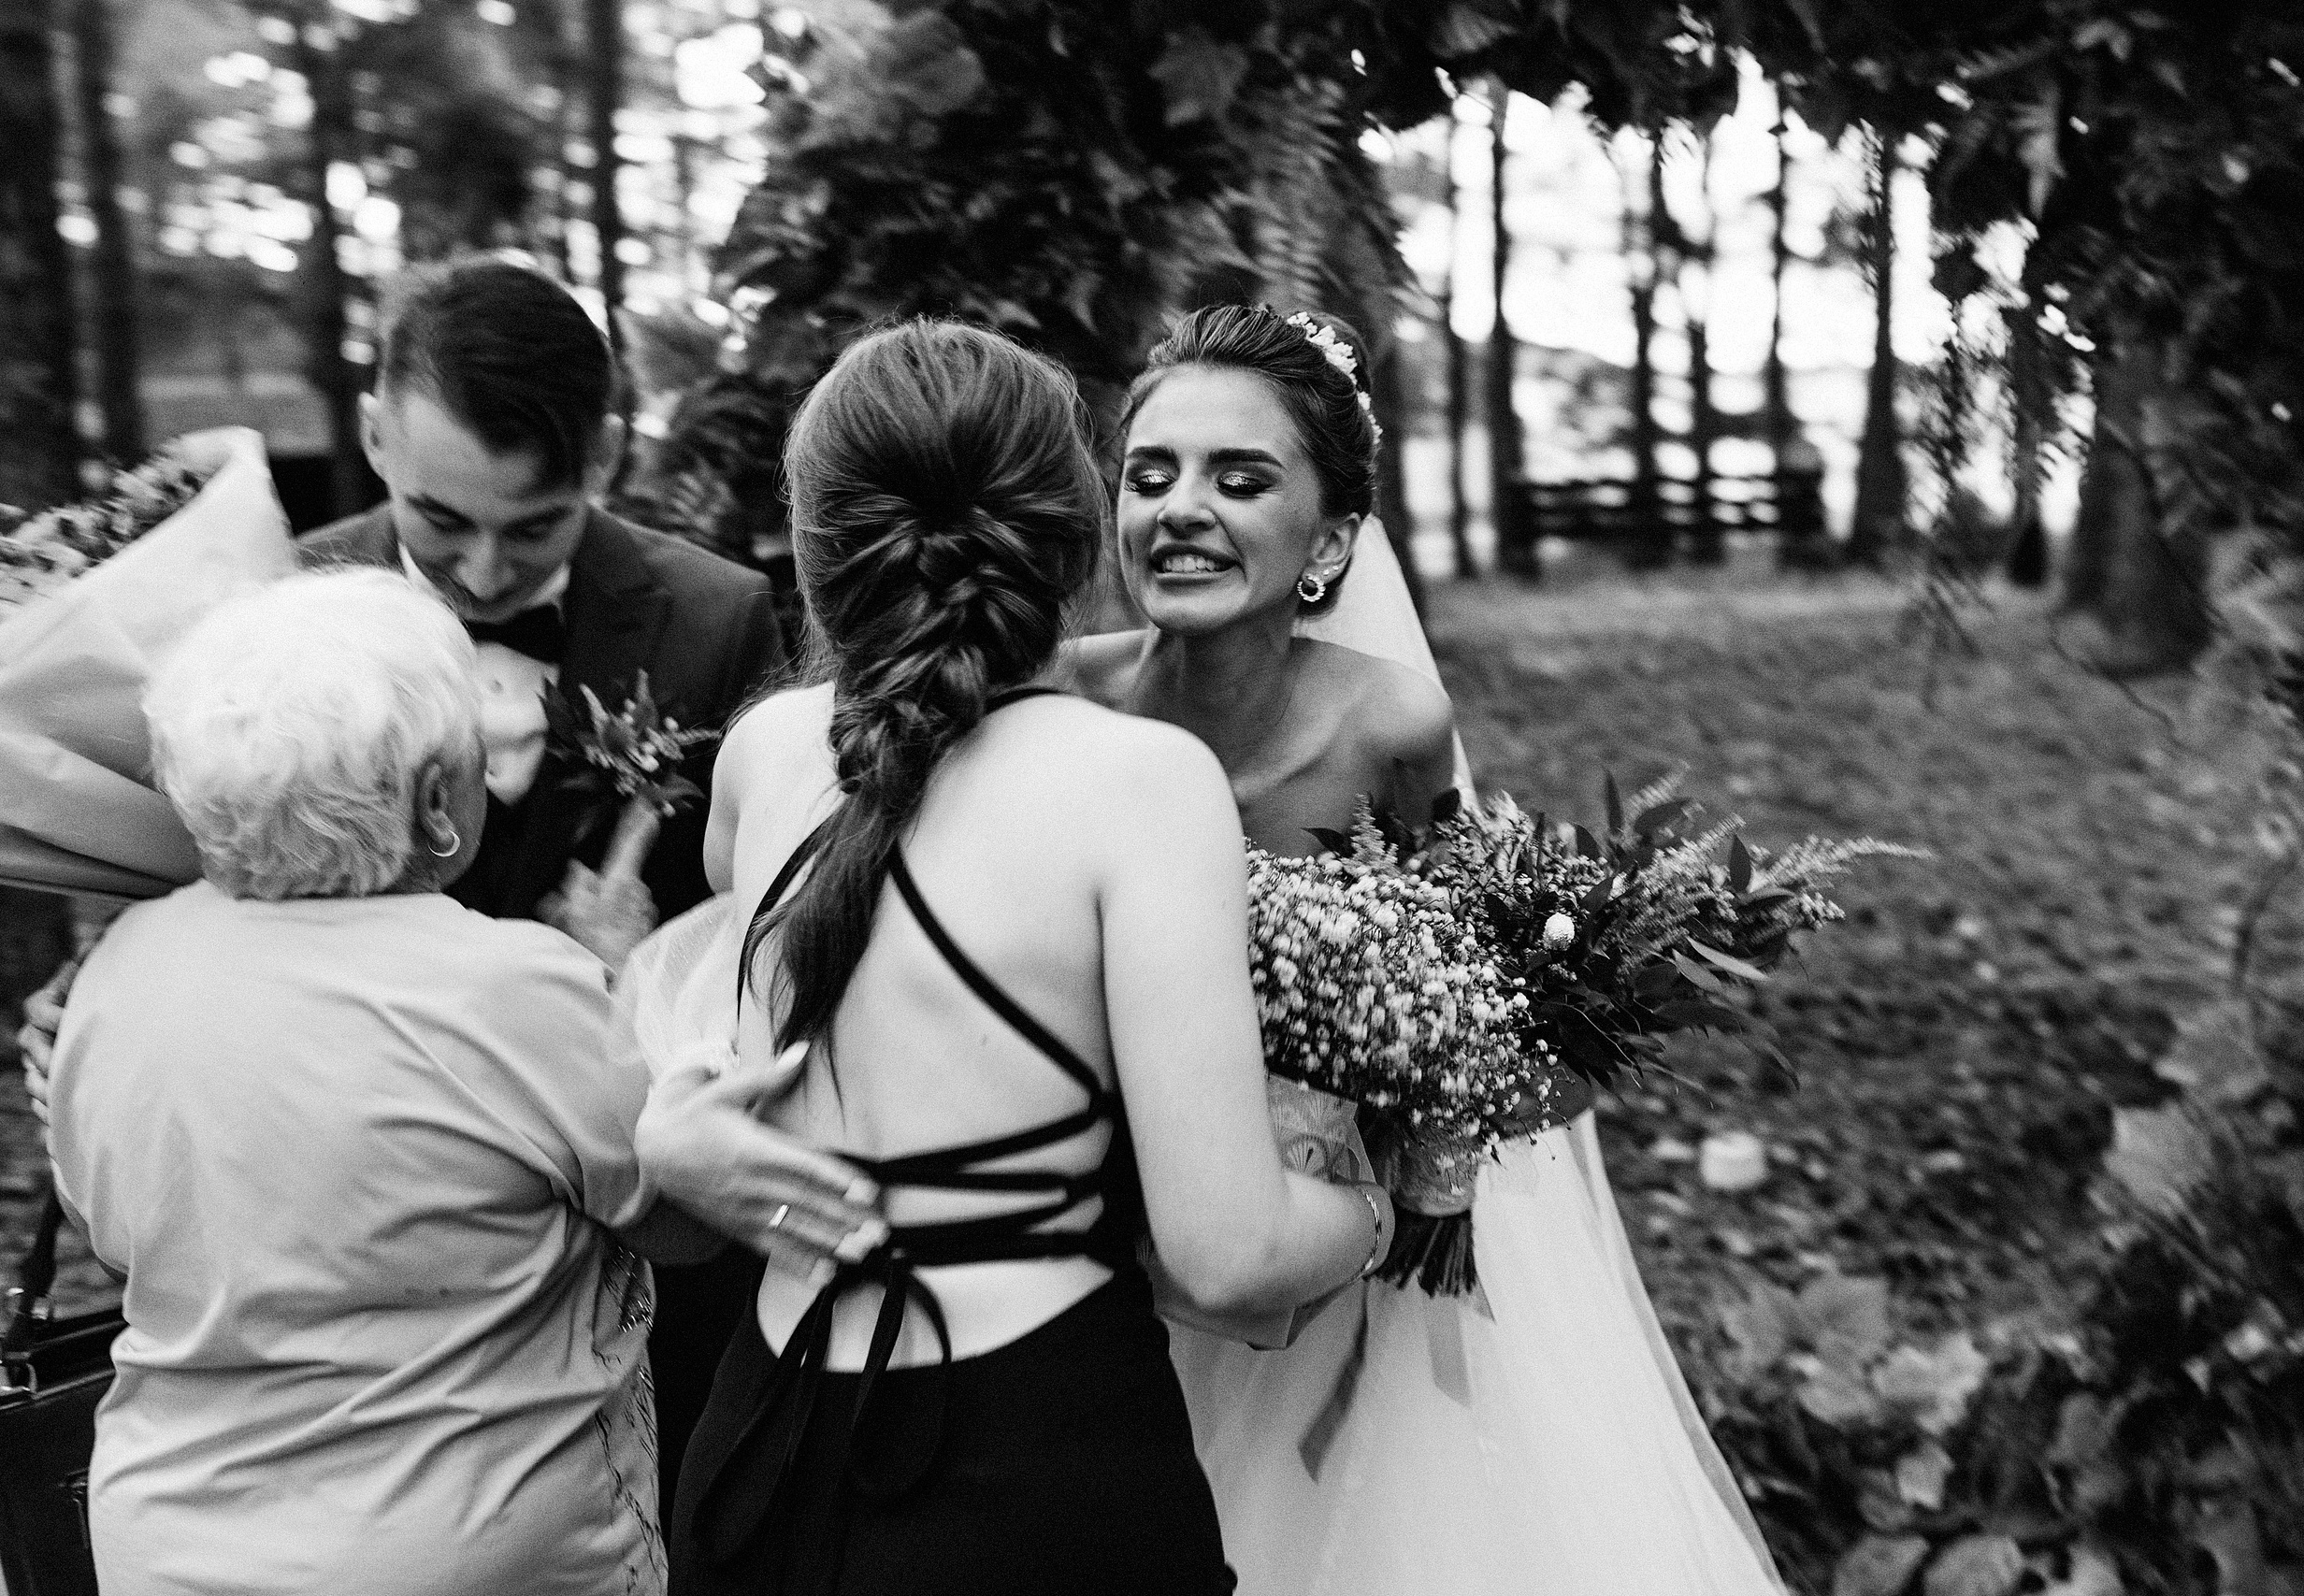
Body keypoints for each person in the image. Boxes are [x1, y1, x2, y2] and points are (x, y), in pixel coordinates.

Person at [634, 320, 1389, 1596]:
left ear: (817, 553)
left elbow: (739, 1018)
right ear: (1078, 533)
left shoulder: (760, 754)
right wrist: (1372, 1197)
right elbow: (1225, 1255)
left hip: (763, 1445)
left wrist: (671, 1122)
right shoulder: (1141, 785)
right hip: (1030, 1462)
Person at [1065, 303, 1788, 1594]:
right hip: (1093, 1234)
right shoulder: (1061, 700)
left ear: (1332, 538)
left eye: (1242, 477)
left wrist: (1435, 1122)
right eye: (1151, 473)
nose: (1180, 507)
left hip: (1327, 1238)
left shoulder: (1389, 723)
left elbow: (1472, 967)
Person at [47, 569, 728, 1595]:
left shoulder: (120, 968)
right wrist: (629, 997)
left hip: (169, 1543)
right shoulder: (514, 988)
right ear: (435, 802)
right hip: (467, 1552)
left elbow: (110, 1231)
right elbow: (683, 1222)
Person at [295, 252, 791, 1503]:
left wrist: (659, 964)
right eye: (438, 519)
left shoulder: (713, 618)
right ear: (371, 435)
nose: (479, 572)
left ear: (610, 454)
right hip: (364, 1242)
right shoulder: (279, 609)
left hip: (642, 1237)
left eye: (535, 524)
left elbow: (772, 927)